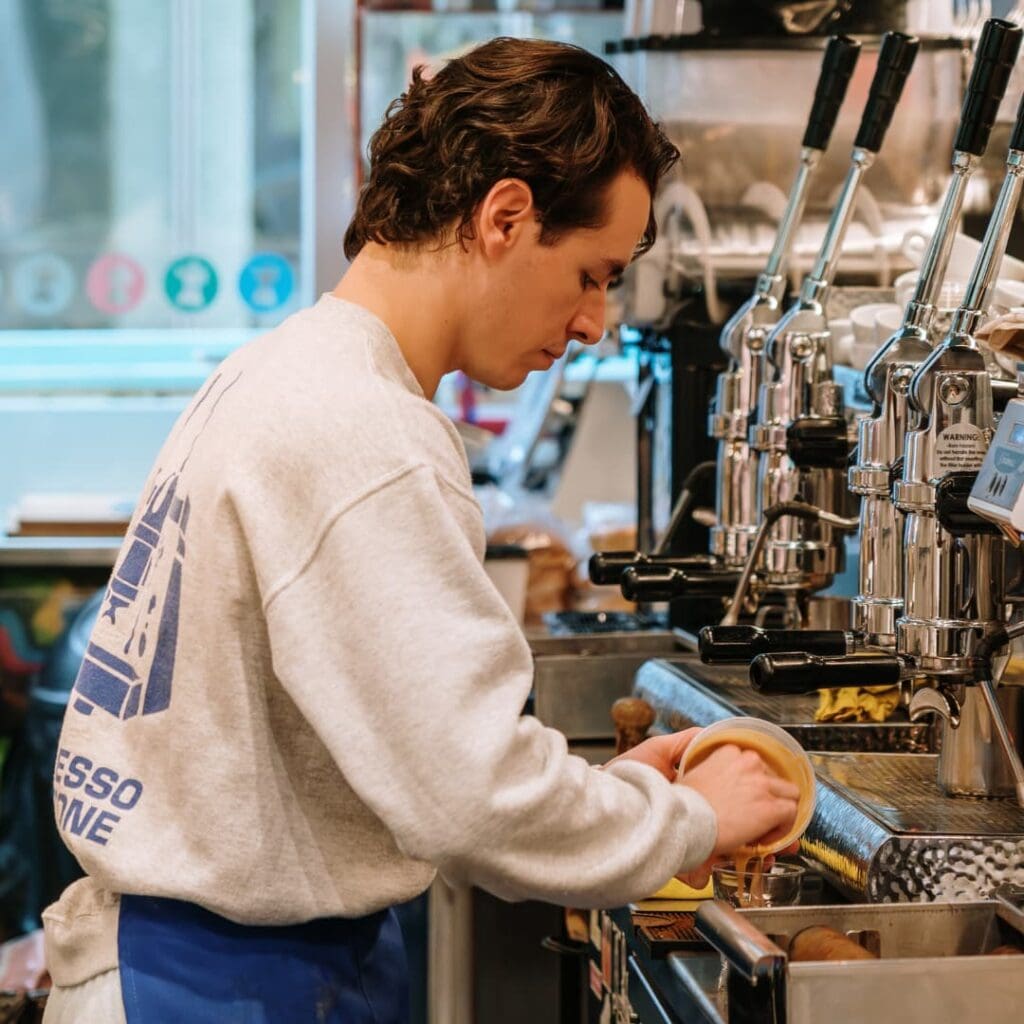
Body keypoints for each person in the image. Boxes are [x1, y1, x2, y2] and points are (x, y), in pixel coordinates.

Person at [41, 37, 800, 1023]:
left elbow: (413, 754)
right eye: (587, 273)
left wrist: (596, 796)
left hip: (204, 963)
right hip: (219, 985)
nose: (593, 322)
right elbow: (467, 796)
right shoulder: (366, 431)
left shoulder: (289, 370)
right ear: (504, 217)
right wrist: (693, 820)